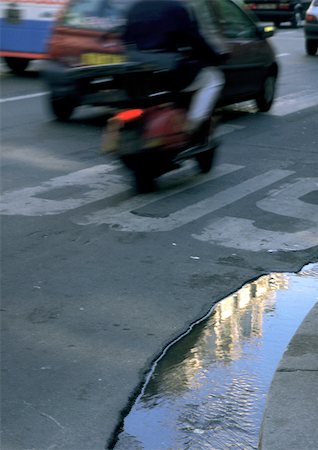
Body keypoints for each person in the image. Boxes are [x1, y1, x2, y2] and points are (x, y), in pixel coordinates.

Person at [123, 0, 229, 141]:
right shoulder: (176, 7)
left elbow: (126, 38)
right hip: (168, 70)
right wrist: (214, 56)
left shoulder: (136, 7)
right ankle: (192, 124)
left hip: (139, 70)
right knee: (213, 78)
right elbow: (194, 39)